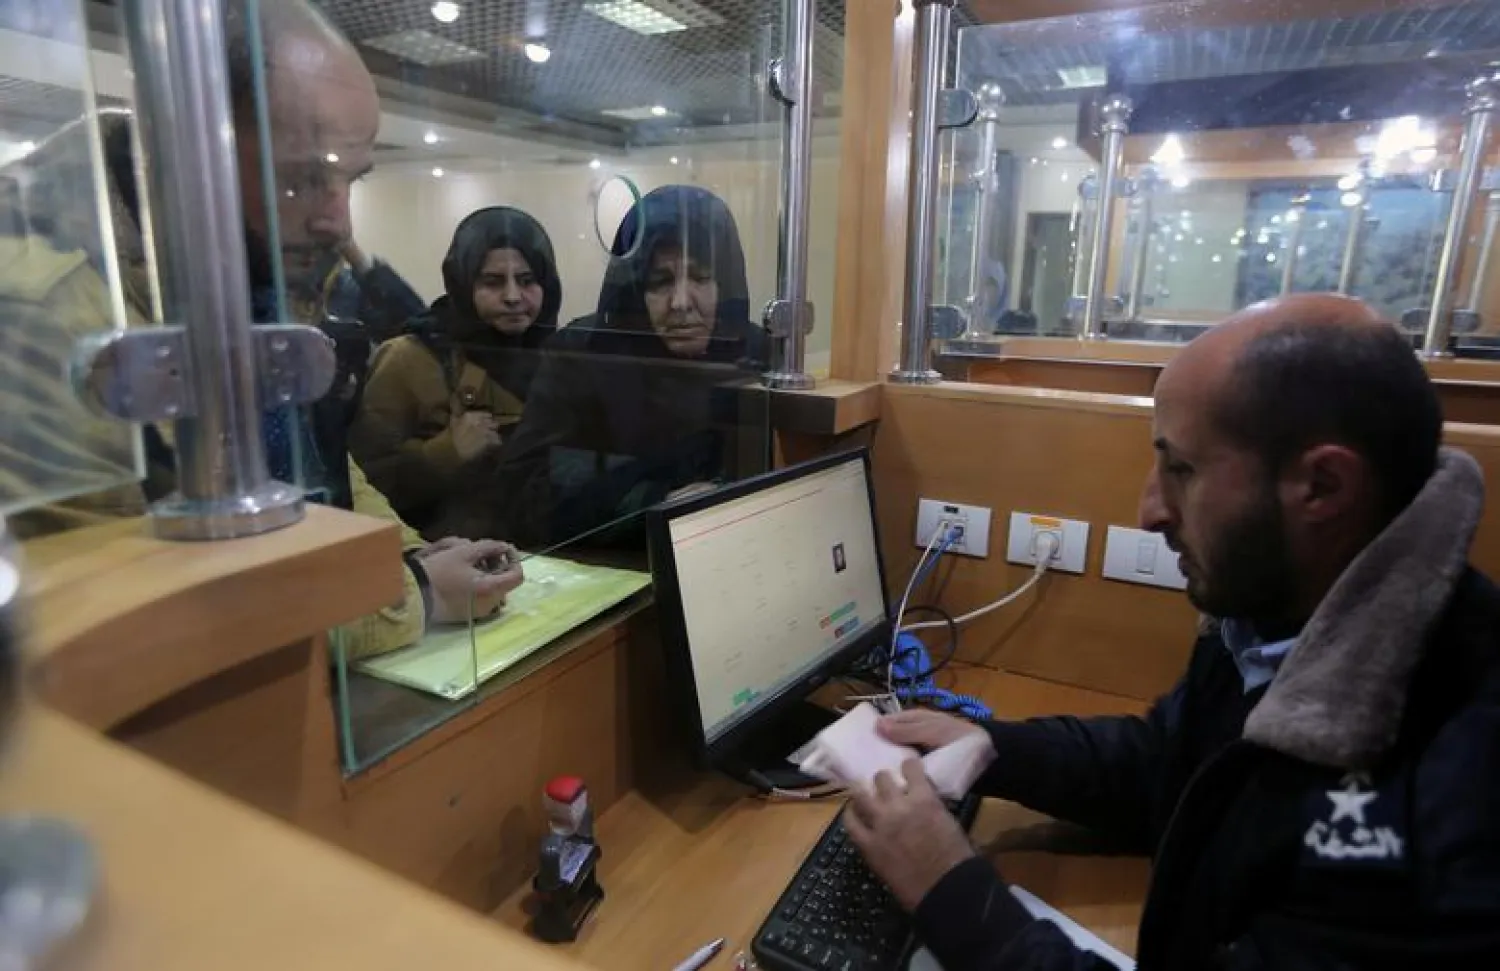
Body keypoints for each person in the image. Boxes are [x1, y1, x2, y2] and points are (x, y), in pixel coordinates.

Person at [846, 294, 1500, 969]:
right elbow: (1173, 761)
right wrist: (994, 748)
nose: (1149, 509)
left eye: (1181, 469)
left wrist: (954, 893)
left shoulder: (1450, 808)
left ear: (1323, 485)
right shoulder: (1279, 618)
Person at [3, 0, 521, 659]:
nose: (338, 221)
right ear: (184, 152)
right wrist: (410, 592)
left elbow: (311, 466)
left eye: (349, 178)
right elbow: (120, 620)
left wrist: (404, 550)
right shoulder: (39, 316)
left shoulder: (253, 264)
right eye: (302, 178)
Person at [442, 185, 769, 548]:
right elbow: (525, 492)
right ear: (633, 289)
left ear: (725, 284)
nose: (680, 302)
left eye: (700, 278)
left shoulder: (755, 353)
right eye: (659, 281)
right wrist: (652, 506)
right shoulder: (586, 353)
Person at [350, 206, 560, 534]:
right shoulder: (409, 359)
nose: (512, 296)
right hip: (448, 563)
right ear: (461, 283)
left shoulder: (557, 356)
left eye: (527, 280)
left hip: (552, 553)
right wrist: (446, 452)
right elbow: (364, 483)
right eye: (492, 282)